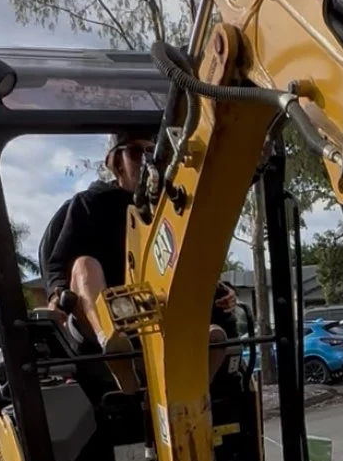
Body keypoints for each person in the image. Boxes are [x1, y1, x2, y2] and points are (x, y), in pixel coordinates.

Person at [41, 130, 235, 379]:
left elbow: (184, 260)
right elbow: (59, 264)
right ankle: (115, 347)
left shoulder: (168, 208)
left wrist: (218, 288)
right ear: (117, 164)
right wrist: (56, 295)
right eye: (135, 153)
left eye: (150, 151)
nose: (146, 160)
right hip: (107, 314)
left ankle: (190, 374)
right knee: (84, 264)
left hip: (158, 313)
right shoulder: (89, 205)